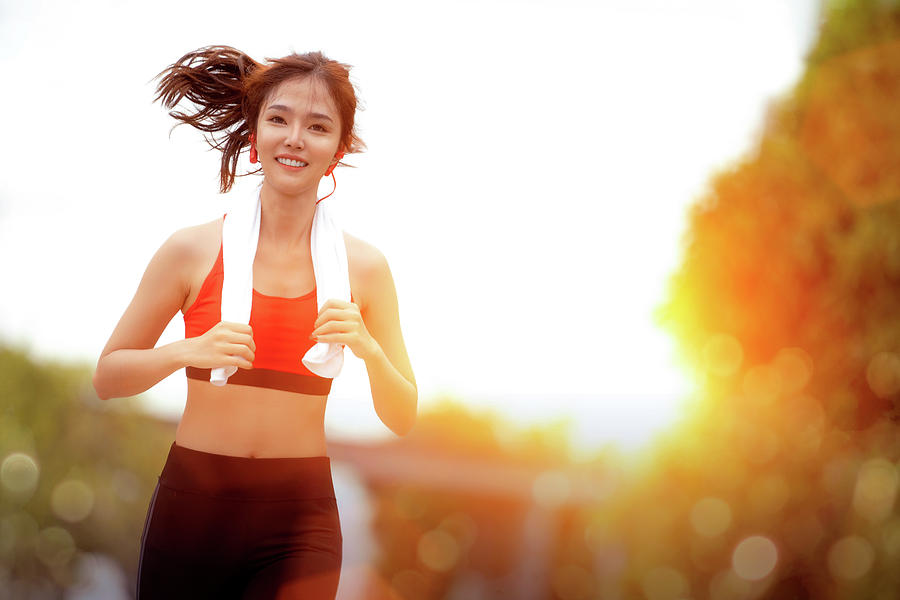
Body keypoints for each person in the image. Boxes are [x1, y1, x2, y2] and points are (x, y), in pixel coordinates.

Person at [92, 45, 417, 599]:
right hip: (193, 508)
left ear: (338, 149)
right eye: (278, 119)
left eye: (317, 126)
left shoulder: (364, 268)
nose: (294, 138)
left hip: (299, 519)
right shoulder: (190, 250)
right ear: (253, 135)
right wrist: (186, 351)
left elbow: (403, 414)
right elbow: (108, 377)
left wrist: (368, 348)